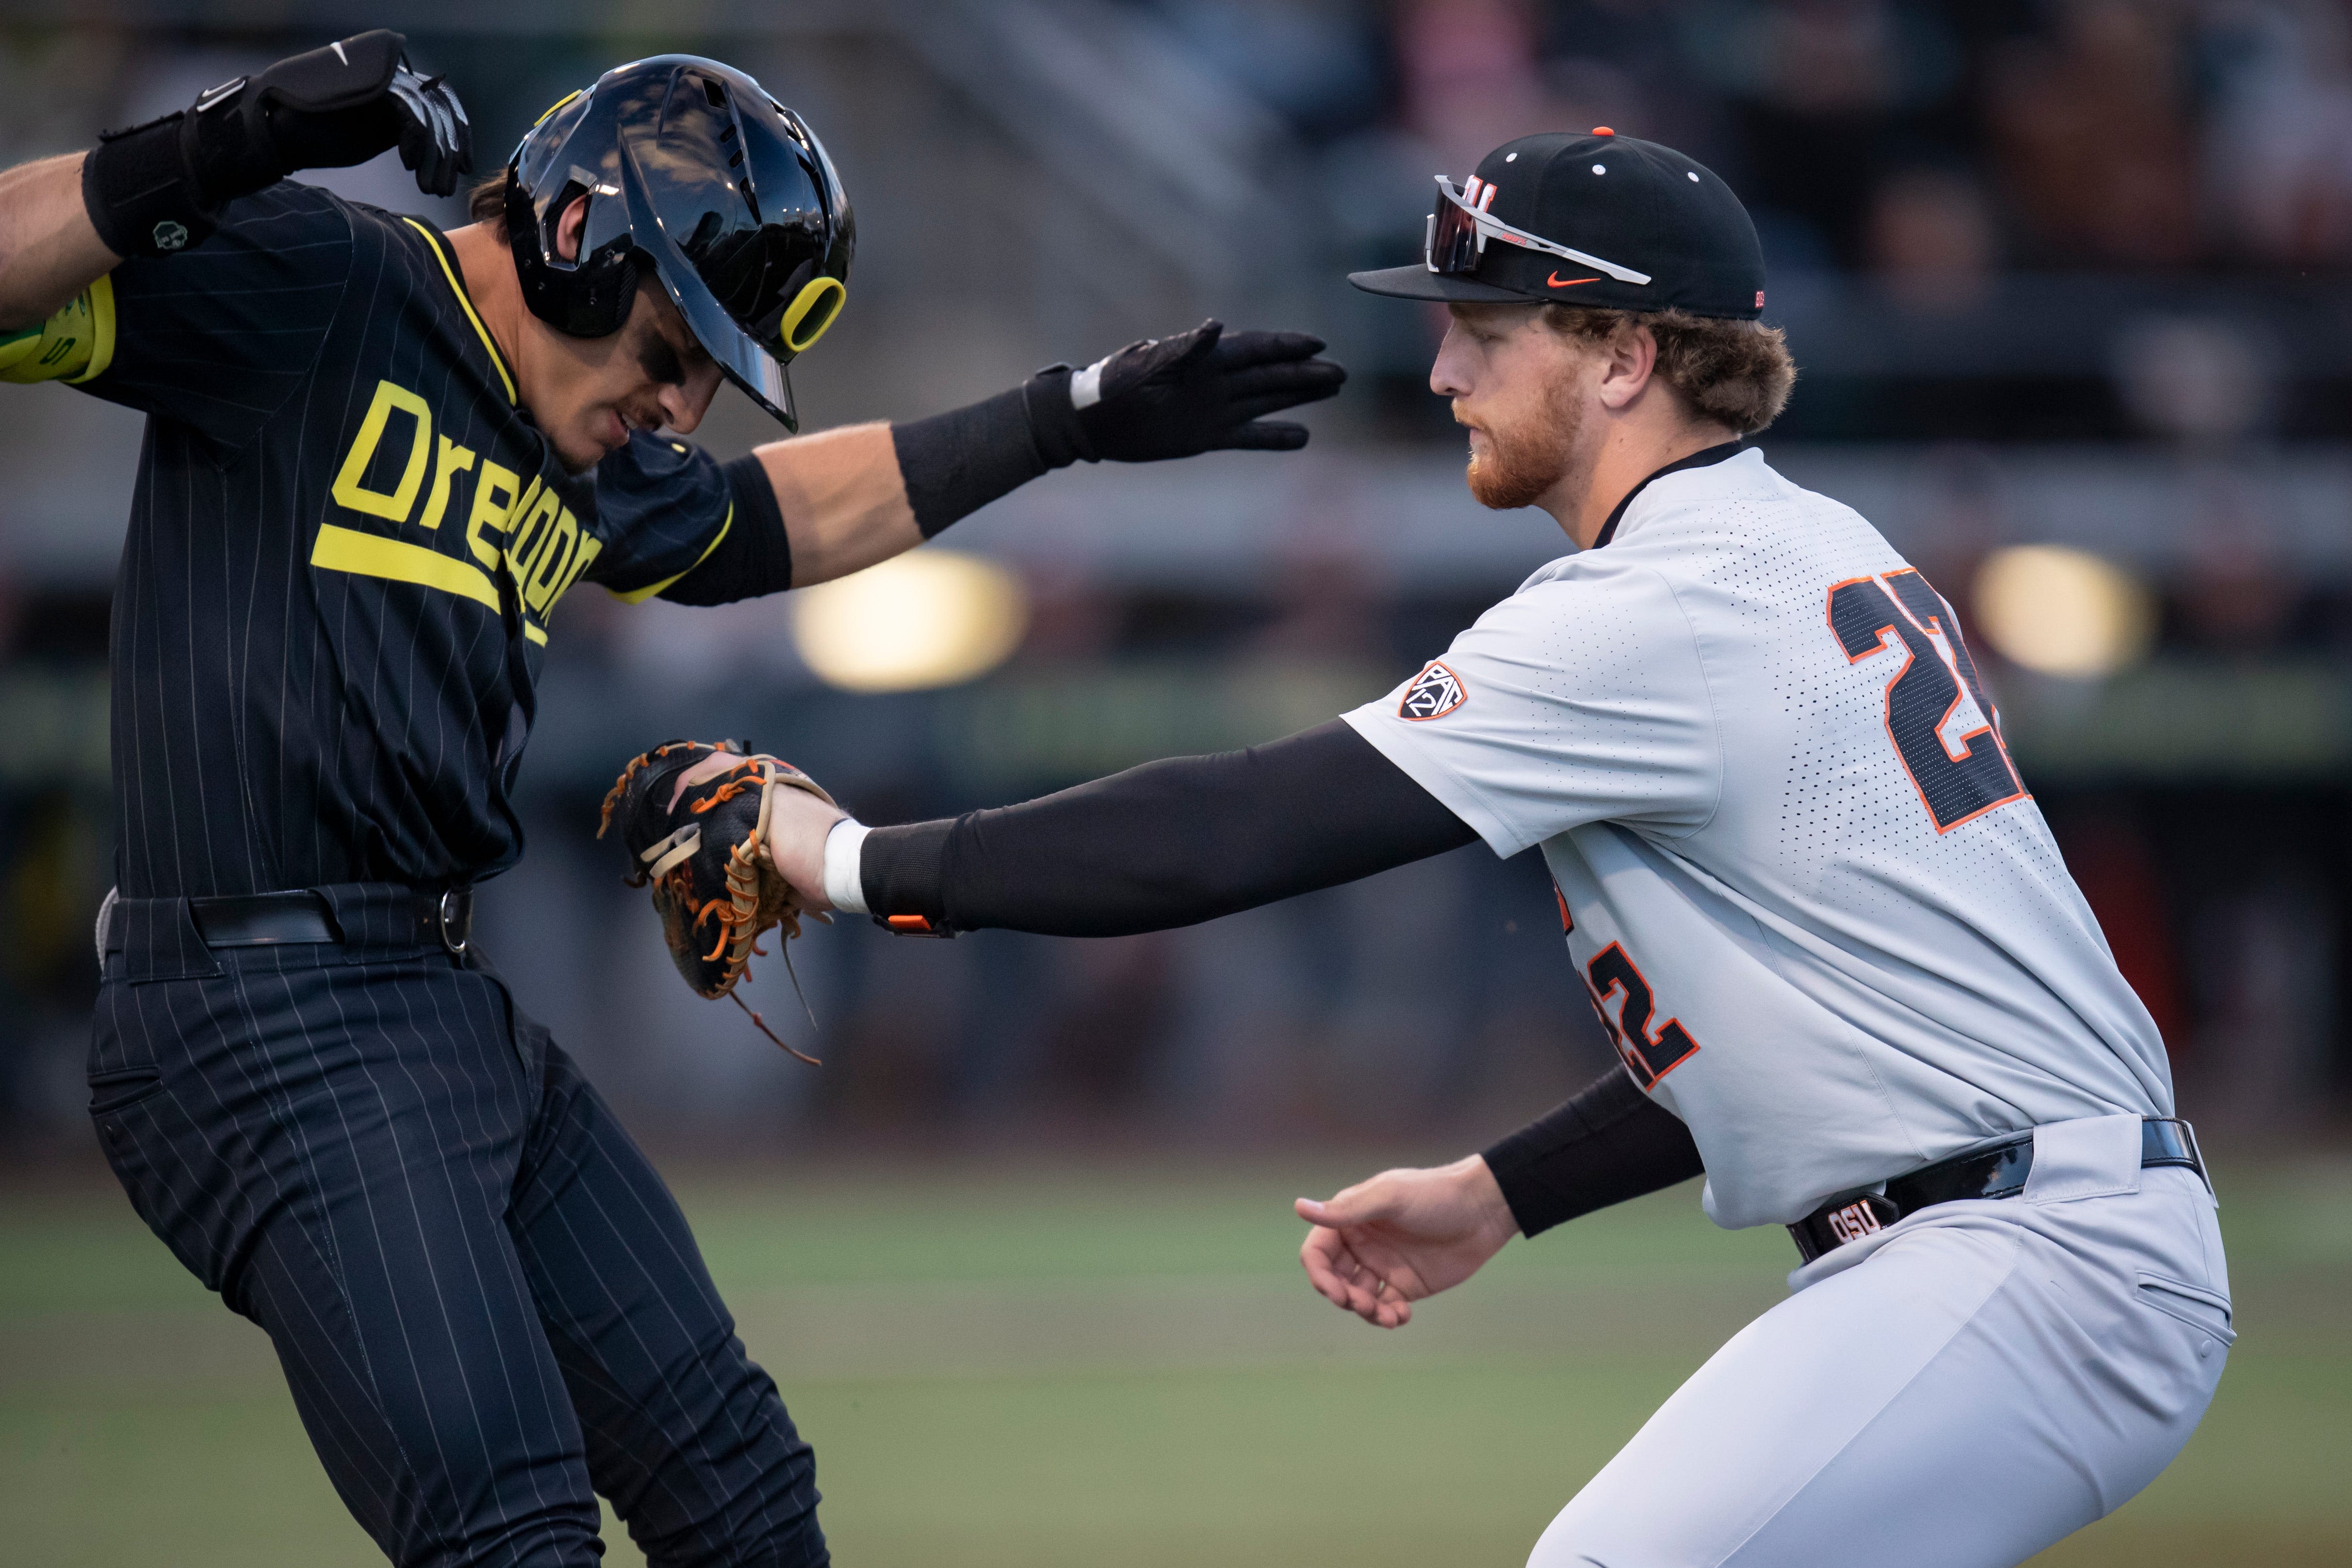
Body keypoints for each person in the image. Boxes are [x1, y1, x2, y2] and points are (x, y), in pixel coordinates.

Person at [750, 129, 2230, 1568]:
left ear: (1624, 356)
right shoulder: (1816, 541)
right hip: (2036, 1234)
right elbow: (1818, 1031)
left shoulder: (1658, 608)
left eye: (1486, 330)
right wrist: (1506, 1190)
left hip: (2033, 1260)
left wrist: (849, 863)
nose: (1446, 371)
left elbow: (1239, 828)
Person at [0, 32, 1340, 1568]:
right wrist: (216, 145)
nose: (685, 397)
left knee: (744, 1491)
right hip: (244, 1011)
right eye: (673, 343)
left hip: (427, 1000)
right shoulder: (328, 283)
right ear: (576, 238)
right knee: (512, 1538)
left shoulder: (572, 427)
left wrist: (1066, 418)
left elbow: (765, 519)